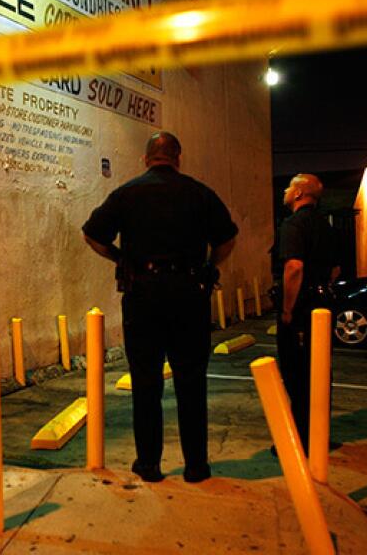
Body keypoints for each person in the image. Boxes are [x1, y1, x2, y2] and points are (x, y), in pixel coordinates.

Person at [82, 132, 237, 483]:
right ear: (178, 158)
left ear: (146, 158)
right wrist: (212, 265)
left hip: (143, 296)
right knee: (191, 382)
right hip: (189, 295)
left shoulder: (127, 193)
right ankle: (196, 465)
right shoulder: (200, 193)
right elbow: (227, 238)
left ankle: (149, 463)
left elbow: (92, 235)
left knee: (146, 382)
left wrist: (121, 258)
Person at [276, 173, 340, 455]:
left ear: (300, 193)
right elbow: (336, 268)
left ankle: (300, 440)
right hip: (323, 304)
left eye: (291, 187)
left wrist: (288, 310)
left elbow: (294, 268)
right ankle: (320, 435)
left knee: (296, 374)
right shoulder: (326, 225)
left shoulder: (293, 224)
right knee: (320, 371)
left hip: (301, 307)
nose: (286, 191)